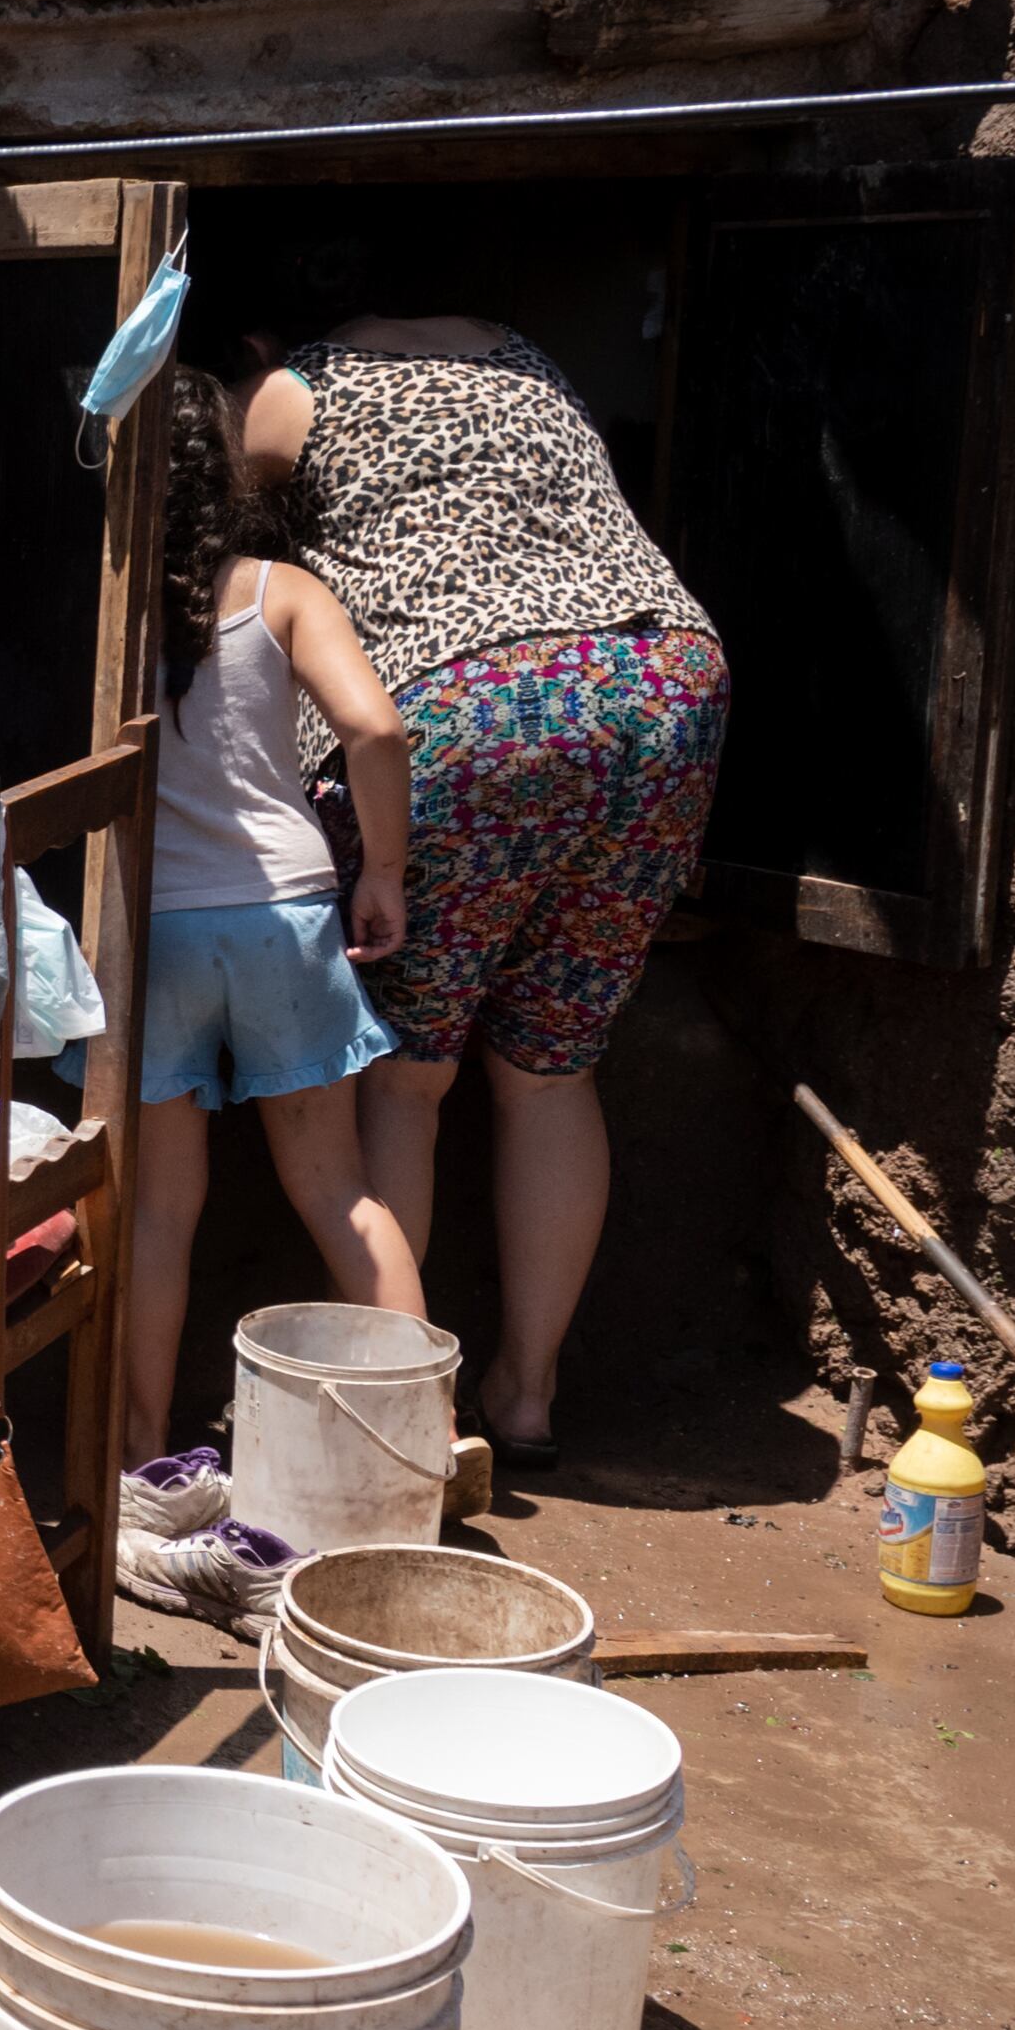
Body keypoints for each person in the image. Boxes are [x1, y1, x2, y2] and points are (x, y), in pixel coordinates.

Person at [227, 313, 730, 1475]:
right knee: (550, 1067)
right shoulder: (526, 355)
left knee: (409, 1075)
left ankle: (393, 1411)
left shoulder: (290, 390)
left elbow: (219, 531)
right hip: (664, 680)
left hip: (470, 700)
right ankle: (525, 1395)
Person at [110, 375, 428, 1630]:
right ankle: (415, 1438)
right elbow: (375, 727)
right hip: (287, 916)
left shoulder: (105, 608)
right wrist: (384, 873)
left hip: (155, 931)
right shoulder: (280, 592)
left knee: (158, 1211)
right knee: (340, 1195)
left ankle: (142, 1461)